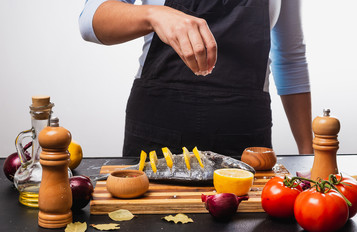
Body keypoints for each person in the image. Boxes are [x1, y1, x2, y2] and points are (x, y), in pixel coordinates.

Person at [79, 0, 313, 157]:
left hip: (246, 134)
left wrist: (308, 153)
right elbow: (90, 21)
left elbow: (290, 57)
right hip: (155, 129)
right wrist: (153, 15)